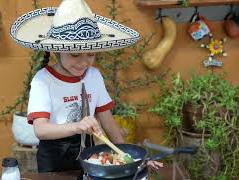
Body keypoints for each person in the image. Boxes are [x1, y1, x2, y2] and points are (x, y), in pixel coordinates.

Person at [10, 0, 163, 173]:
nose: (84, 62)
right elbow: (41, 130)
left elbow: (108, 121)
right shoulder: (43, 80)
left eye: (91, 54)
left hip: (89, 156)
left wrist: (132, 157)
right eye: (75, 54)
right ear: (57, 51)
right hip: (53, 160)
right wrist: (77, 126)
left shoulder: (94, 76)